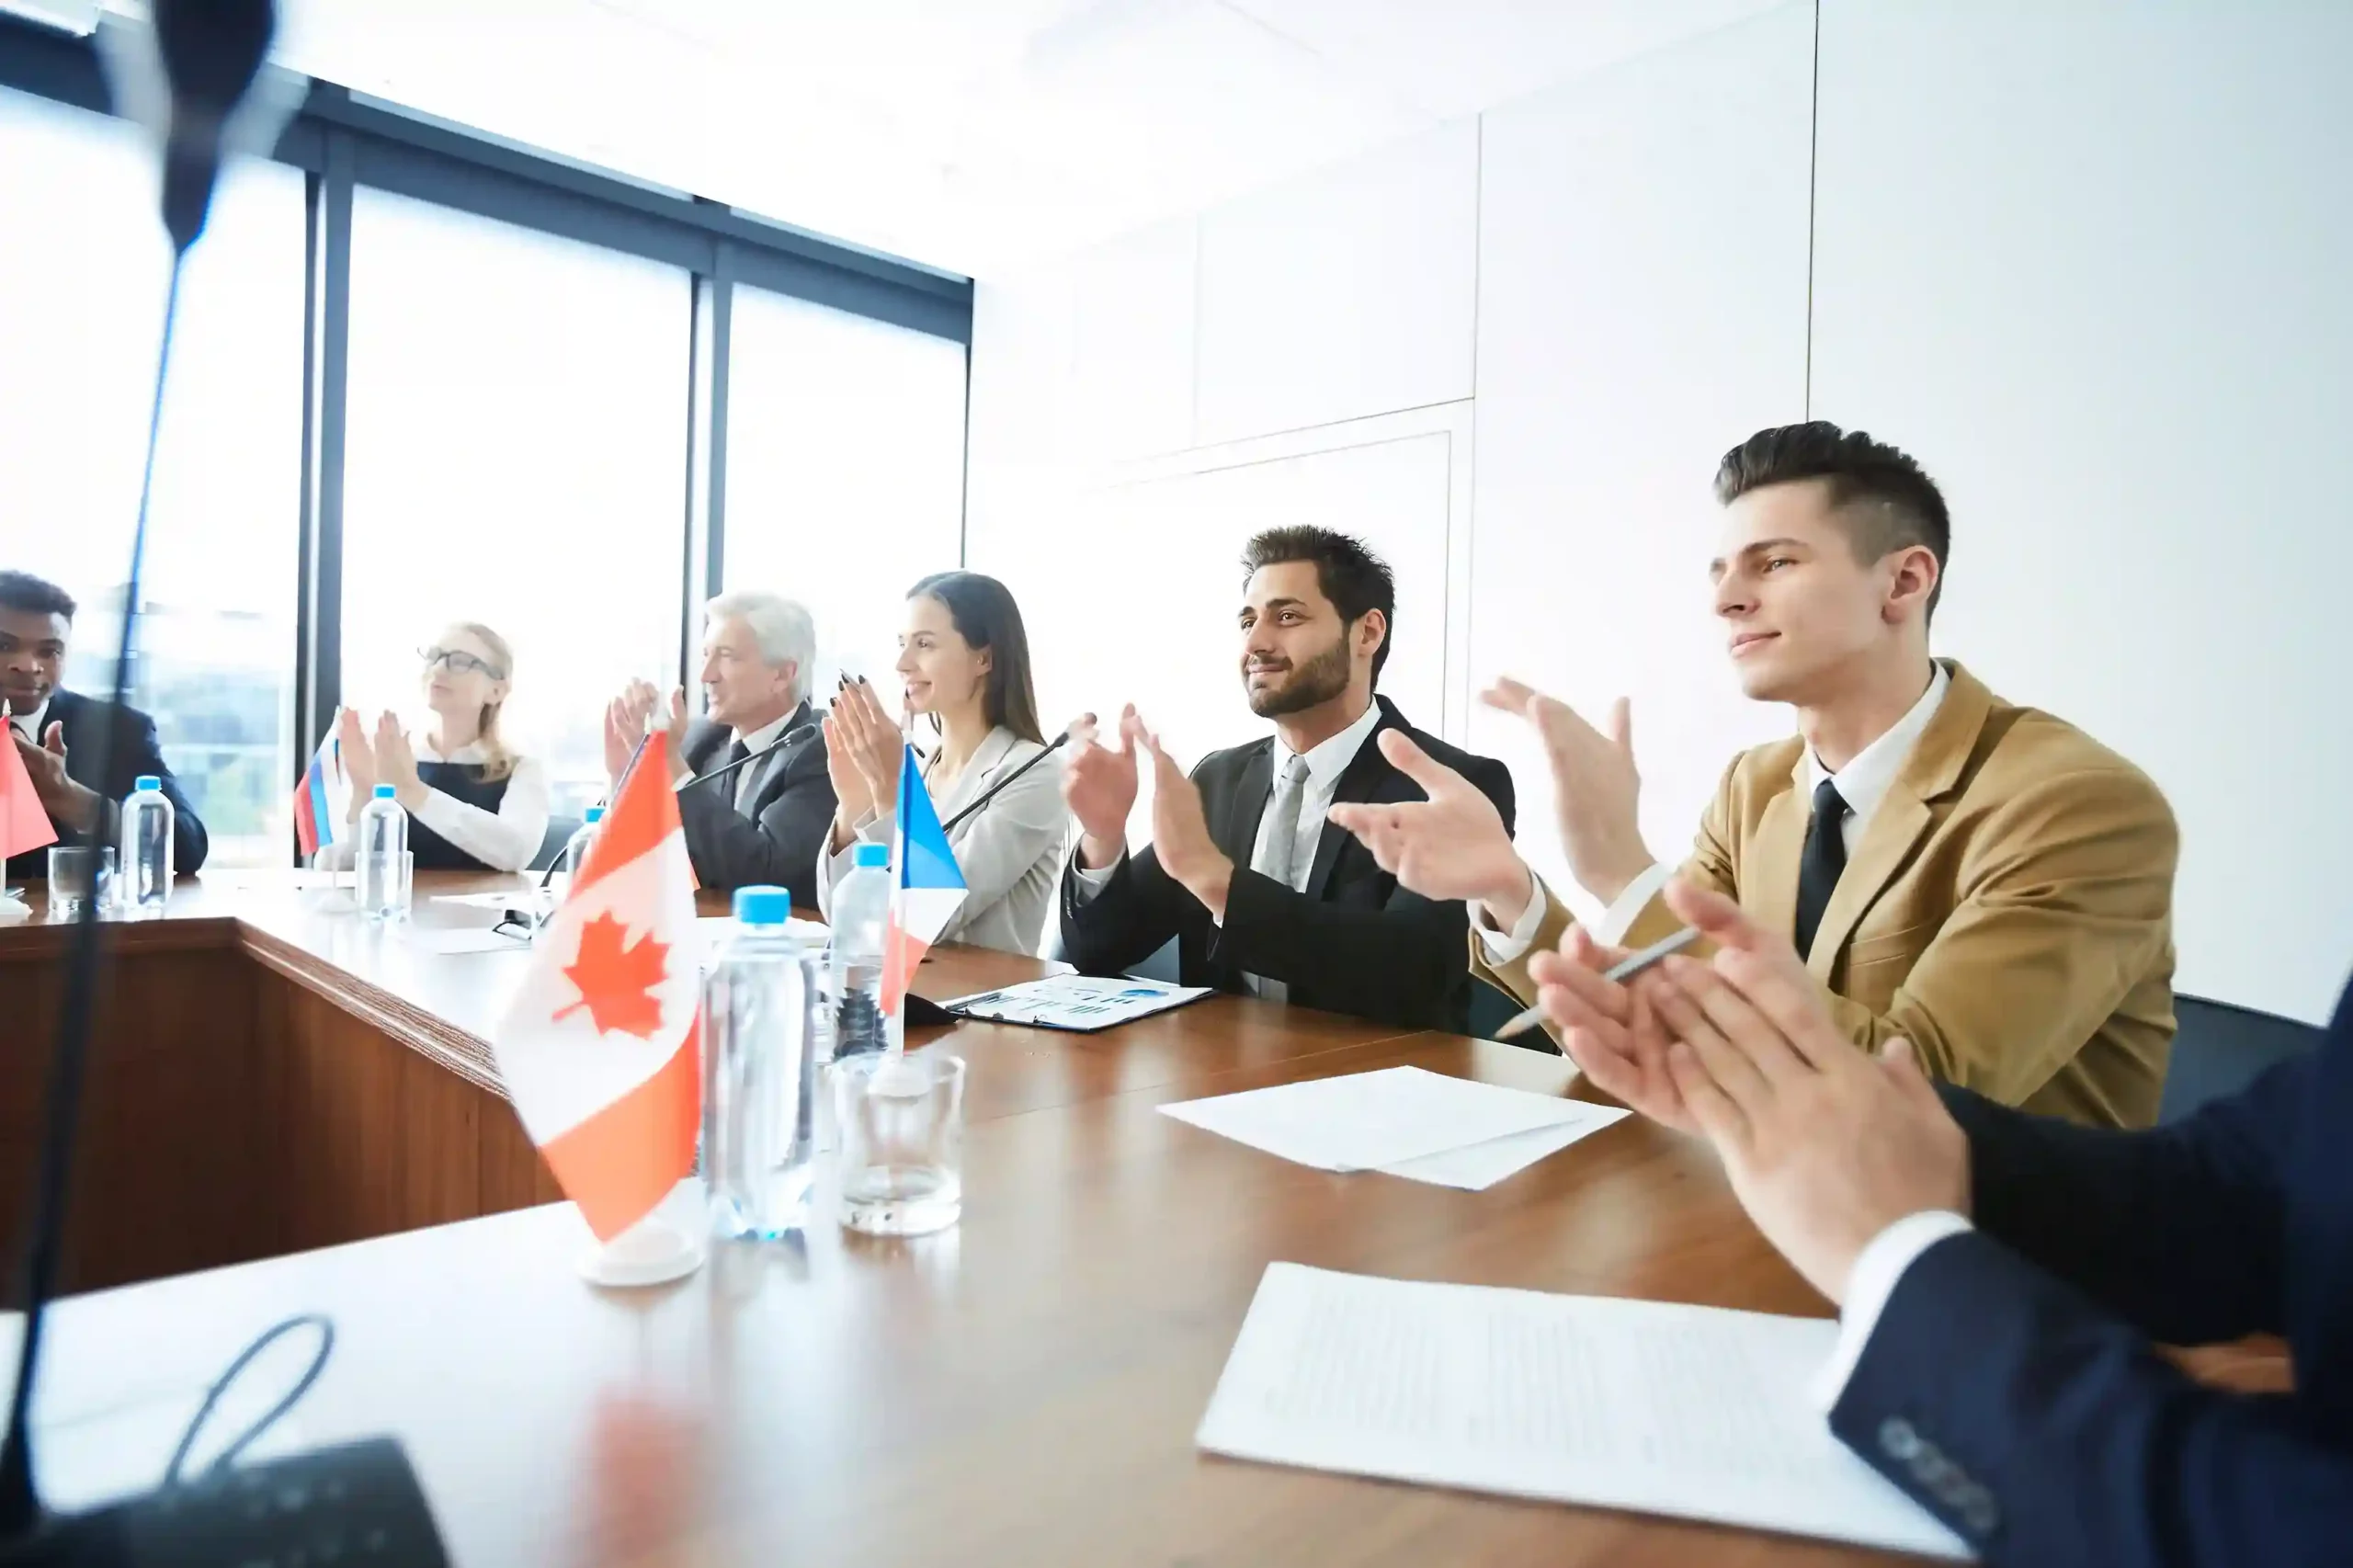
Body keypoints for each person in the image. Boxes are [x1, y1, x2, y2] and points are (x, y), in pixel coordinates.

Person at [1329, 422, 2177, 1127]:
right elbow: (1663, 1014)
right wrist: (1513, 889)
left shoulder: (2076, 802)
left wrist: (1622, 868)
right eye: (1722, 572)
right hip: (1770, 1209)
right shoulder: (1756, 785)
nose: (1727, 600)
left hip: (2002, 1266)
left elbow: (1921, 1092)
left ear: (1906, 581)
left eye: (1773, 564)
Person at [1534, 876, 2351, 1566]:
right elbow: (2243, 1185)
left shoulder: (2072, 799)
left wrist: (1902, 1258)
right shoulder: (1759, 787)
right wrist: (1822, 1105)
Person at [1056, 527, 1515, 1032]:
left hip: (1380, 1087)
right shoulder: (1219, 779)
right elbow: (1099, 950)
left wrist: (1217, 882)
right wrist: (1103, 836)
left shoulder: (1455, 787)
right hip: (1221, 1080)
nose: (1255, 642)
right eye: (1248, 621)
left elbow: (1412, 972)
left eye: (1287, 617)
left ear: (1367, 633)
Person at [817, 572, 1064, 956]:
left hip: (982, 1006)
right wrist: (852, 809)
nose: (902, 663)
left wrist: (890, 792)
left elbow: (932, 921)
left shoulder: (1034, 773)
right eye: (902, 644)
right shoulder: (923, 766)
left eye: (925, 644)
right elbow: (842, 915)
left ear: (984, 657)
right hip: (899, 997)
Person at [605, 591, 834, 904]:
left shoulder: (821, 749)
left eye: (727, 657)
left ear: (781, 674)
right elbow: (646, 855)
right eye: (705, 655)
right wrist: (624, 775)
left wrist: (670, 763)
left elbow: (768, 875)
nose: (706, 676)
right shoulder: (702, 739)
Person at [1, 571, 208, 881]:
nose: (29, 666)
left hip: (59, 926)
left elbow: (189, 847)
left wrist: (72, 799)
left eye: (49, 651)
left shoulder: (118, 730)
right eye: (4, 646)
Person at [320, 624, 550, 873]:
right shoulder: (395, 756)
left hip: (486, 913)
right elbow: (331, 868)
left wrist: (413, 791)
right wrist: (363, 794)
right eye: (434, 657)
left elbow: (516, 853)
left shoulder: (522, 769)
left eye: (461, 662)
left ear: (496, 691)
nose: (439, 669)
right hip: (398, 911)